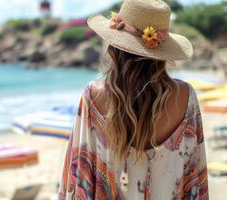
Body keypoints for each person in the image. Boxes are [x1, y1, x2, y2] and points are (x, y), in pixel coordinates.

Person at [59, 0, 208, 199]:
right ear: (161, 51)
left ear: (115, 47)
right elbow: (196, 178)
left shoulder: (94, 96)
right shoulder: (185, 96)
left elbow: (78, 180)